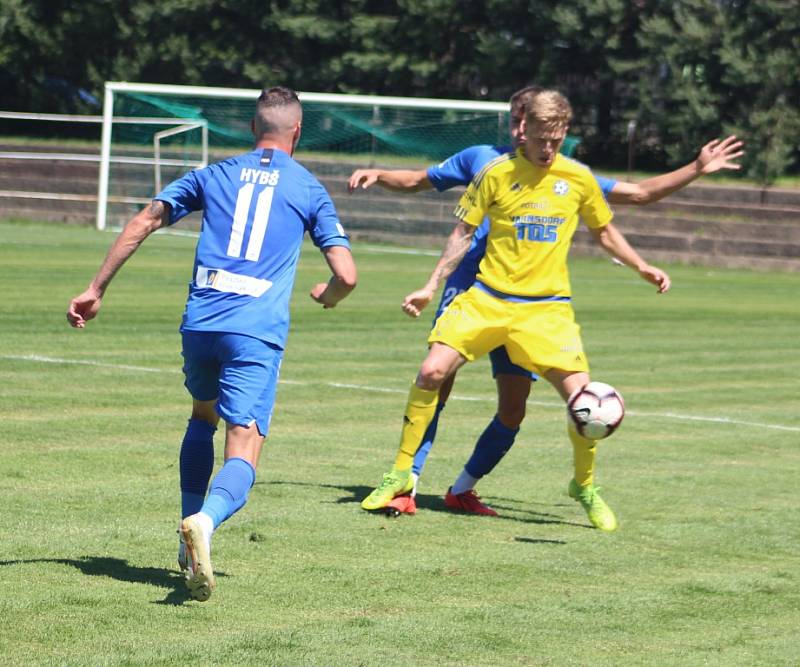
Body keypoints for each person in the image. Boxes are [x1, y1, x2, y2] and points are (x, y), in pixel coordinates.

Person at [349, 87, 743, 524]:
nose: (543, 145)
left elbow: (617, 218)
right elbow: (453, 222)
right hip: (481, 296)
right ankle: (404, 475)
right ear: (520, 126)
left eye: (554, 139)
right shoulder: (488, 165)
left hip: (543, 311)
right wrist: (429, 283)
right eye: (535, 133)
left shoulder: (576, 177)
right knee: (433, 375)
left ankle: (574, 486)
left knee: (567, 402)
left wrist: (642, 263)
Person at [66, 86, 356, 600]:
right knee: (244, 447)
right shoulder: (309, 188)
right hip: (254, 330)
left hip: (201, 323)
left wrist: (95, 288)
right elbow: (347, 275)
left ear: (252, 128)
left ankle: (184, 533)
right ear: (298, 131)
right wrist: (328, 295)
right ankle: (203, 521)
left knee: (203, 415)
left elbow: (145, 219)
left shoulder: (213, 173)